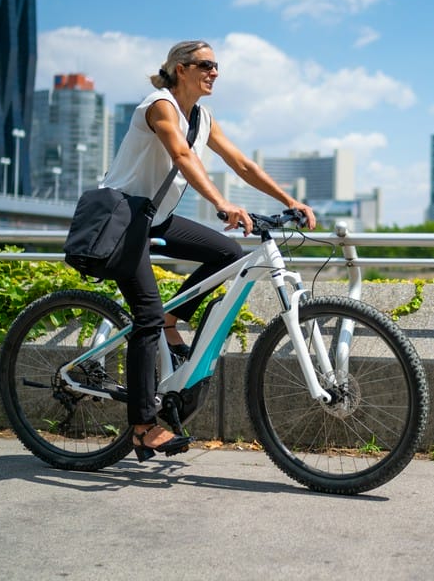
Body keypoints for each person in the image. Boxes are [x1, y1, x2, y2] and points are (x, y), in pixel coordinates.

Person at [100, 39, 316, 460]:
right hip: (122, 217)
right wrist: (221, 203)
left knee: (230, 255)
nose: (215, 72)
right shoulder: (159, 105)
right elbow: (180, 155)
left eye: (217, 66)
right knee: (142, 320)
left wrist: (288, 201)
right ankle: (143, 427)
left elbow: (243, 165)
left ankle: (172, 318)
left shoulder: (202, 117)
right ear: (181, 68)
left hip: (154, 217)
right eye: (206, 64)